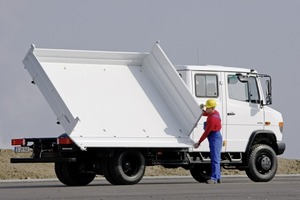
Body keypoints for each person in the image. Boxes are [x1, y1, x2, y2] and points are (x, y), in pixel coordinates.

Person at [193, 99, 222, 184]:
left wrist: (199, 142)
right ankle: (218, 177)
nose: (206, 109)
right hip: (215, 136)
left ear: (212, 108)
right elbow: (205, 113)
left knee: (215, 159)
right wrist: (201, 110)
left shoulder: (213, 119)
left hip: (214, 137)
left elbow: (206, 132)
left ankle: (214, 178)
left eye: (208, 108)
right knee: (215, 158)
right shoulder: (214, 112)